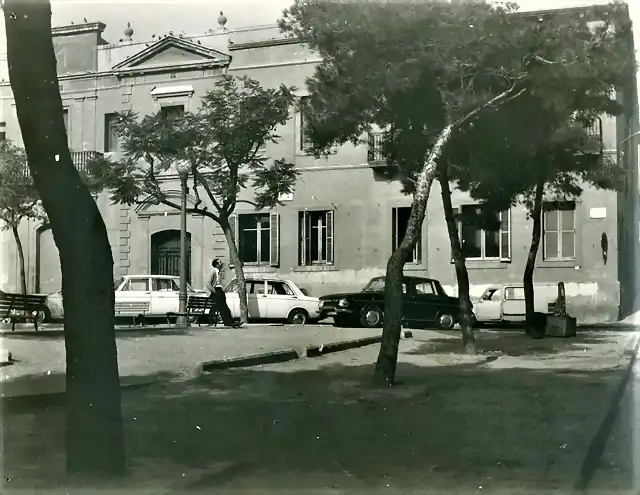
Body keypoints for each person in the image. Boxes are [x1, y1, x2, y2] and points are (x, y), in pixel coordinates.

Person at [206, 259, 241, 328]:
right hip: (216, 291)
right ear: (216, 265)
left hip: (219, 290)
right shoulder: (213, 272)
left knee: (225, 307)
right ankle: (229, 323)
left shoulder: (219, 272)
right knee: (223, 307)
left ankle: (231, 322)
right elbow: (208, 284)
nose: (221, 263)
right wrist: (214, 291)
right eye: (220, 263)